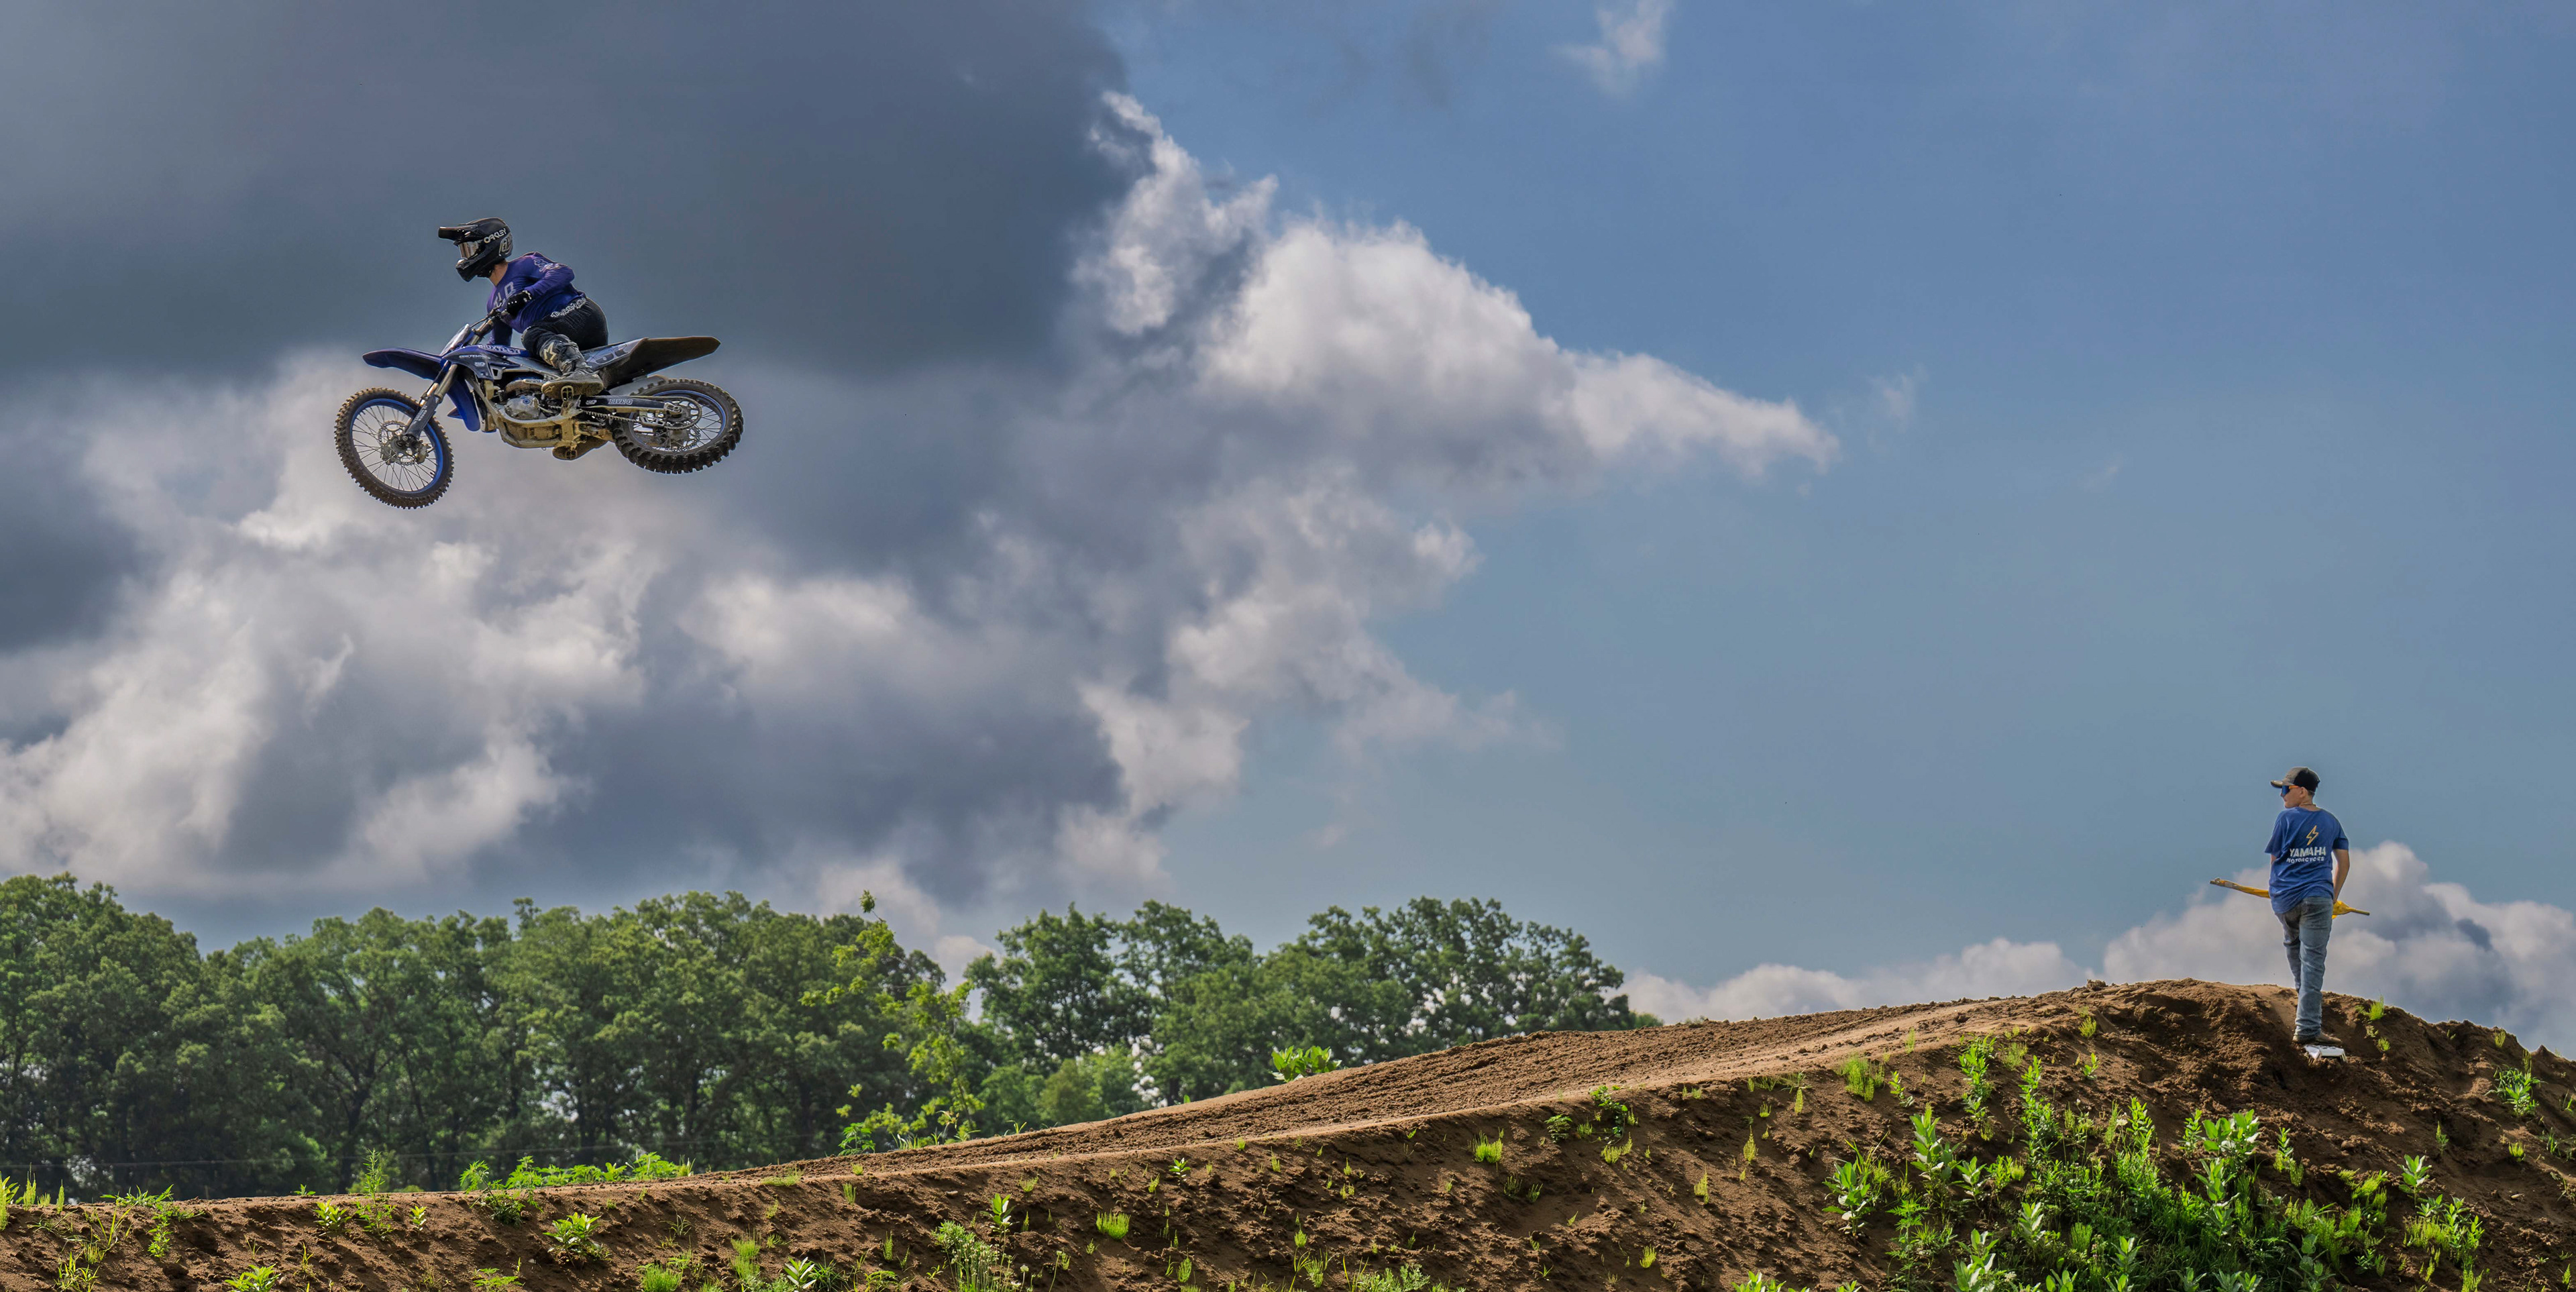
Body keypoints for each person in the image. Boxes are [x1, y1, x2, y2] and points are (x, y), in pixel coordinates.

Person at [435, 218, 608, 399]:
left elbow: (563, 272)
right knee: (532, 366)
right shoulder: (493, 303)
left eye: (470, 249)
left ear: (490, 245)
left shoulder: (525, 264)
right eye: (464, 251)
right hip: (558, 337)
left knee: (531, 335)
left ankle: (580, 370)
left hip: (580, 314)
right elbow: (500, 348)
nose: (466, 257)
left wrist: (528, 294)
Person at [2265, 766, 2351, 1047]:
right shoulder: (2331, 822)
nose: (2282, 795)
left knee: (2296, 954)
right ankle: (2308, 1027)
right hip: (2318, 899)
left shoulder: (2285, 819)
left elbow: (2275, 860)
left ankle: (2307, 1024)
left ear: (2302, 791)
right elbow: (2344, 863)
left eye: (2285, 789)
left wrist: (2275, 890)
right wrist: (2332, 897)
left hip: (2285, 900)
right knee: (2313, 961)